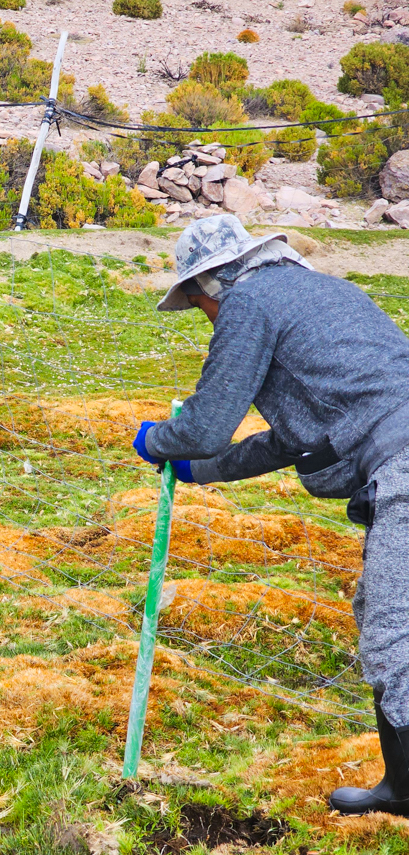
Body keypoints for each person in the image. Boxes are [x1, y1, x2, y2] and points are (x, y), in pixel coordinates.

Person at [131, 214, 409, 817]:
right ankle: (402, 787)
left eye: (199, 307)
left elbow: (205, 425)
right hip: (394, 458)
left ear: (210, 286)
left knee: (395, 636)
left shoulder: (249, 302)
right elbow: (298, 438)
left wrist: (159, 442)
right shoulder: (324, 291)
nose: (207, 319)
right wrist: (200, 472)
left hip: (404, 466)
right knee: (380, 614)